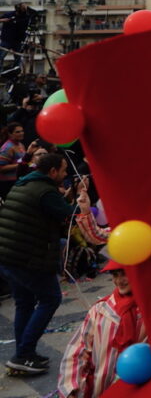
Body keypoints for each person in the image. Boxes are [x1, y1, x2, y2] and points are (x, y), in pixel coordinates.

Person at [0, 153, 75, 374]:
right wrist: (80, 201)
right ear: (52, 172)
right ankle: (24, 353)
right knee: (50, 298)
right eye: (63, 170)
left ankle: (24, 354)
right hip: (26, 257)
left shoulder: (25, 183)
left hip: (8, 255)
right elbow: (70, 216)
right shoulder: (46, 191)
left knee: (24, 303)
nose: (65, 174)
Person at [57, 260, 144, 398]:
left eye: (125, 274)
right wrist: (71, 385)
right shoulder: (100, 310)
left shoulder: (150, 312)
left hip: (140, 391)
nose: (119, 281)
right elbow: (79, 348)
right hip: (101, 389)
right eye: (115, 275)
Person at [0, 3, 36, 71]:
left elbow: (33, 15)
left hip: (18, 41)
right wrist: (5, 20)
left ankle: (15, 72)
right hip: (6, 39)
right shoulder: (9, 14)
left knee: (18, 58)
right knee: (0, 56)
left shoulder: (26, 16)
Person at [0, 122, 27, 199]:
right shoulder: (7, 147)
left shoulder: (21, 145)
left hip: (18, 180)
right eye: (17, 132)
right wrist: (20, 165)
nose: (21, 133)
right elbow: (1, 168)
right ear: (10, 134)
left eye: (22, 131)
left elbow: (24, 161)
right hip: (7, 183)